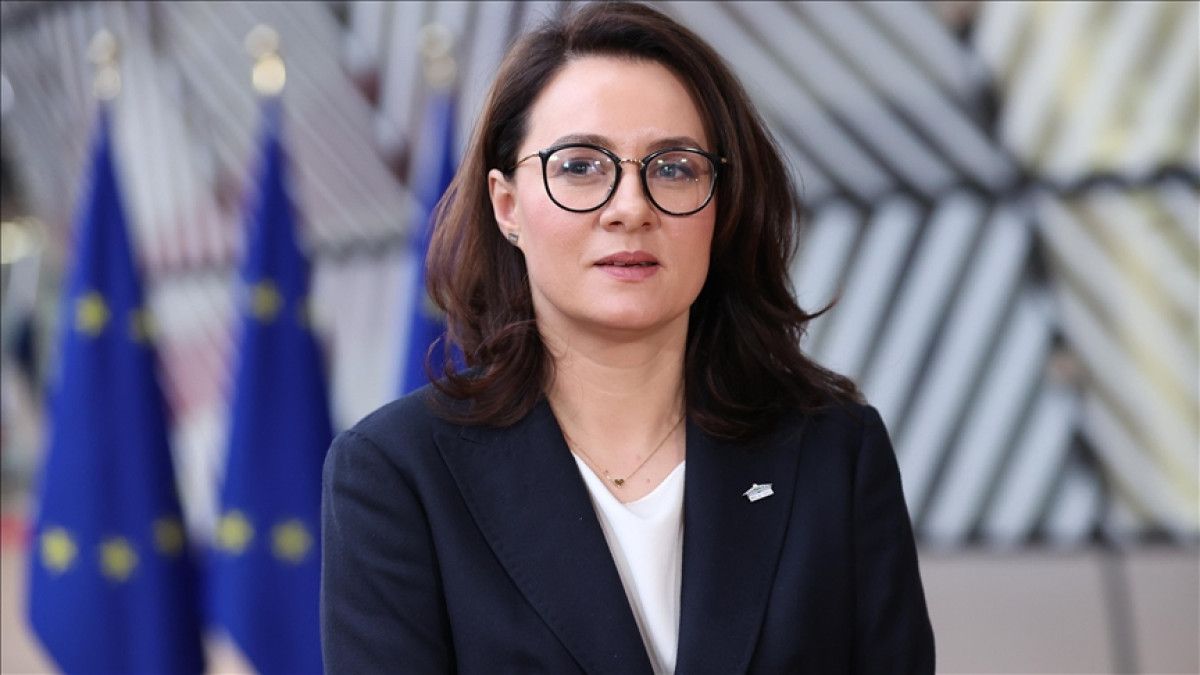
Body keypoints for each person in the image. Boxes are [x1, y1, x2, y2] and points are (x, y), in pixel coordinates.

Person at [321, 3, 934, 673]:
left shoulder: (834, 455)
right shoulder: (397, 473)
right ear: (507, 205)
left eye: (674, 168)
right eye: (580, 166)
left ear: (721, 202)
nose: (631, 208)